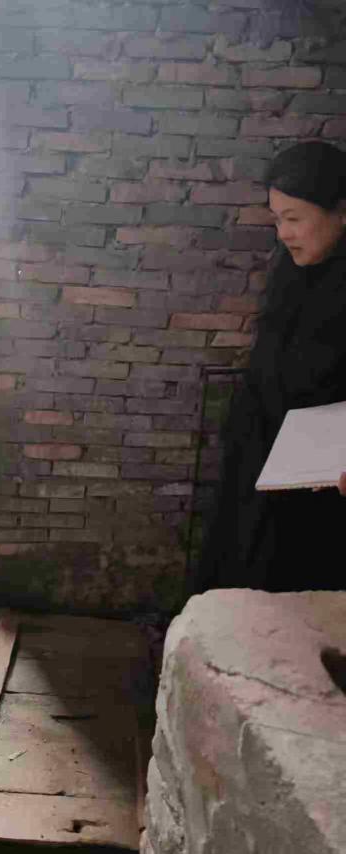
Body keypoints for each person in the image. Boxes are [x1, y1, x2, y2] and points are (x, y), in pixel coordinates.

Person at [193, 141, 346, 595]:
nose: (283, 234)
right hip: (262, 462)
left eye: (294, 219)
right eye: (277, 219)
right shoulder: (295, 271)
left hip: (323, 489)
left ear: (342, 212)